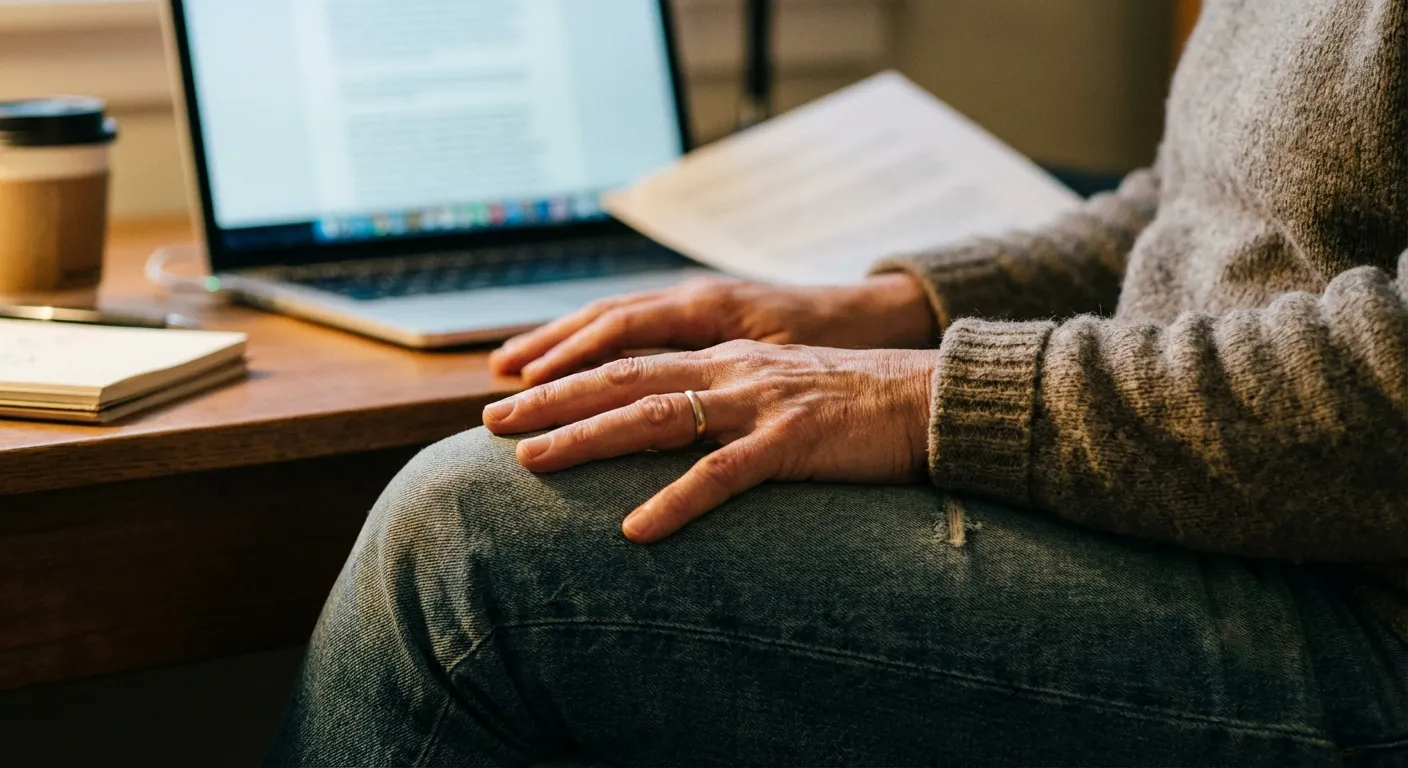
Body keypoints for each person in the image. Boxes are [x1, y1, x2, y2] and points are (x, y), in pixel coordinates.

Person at [266, 0, 1408, 764]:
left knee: (470, 545)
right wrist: (896, 305)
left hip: (1359, 614)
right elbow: (1193, 211)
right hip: (1209, 513)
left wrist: (918, 395)